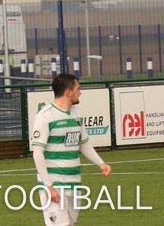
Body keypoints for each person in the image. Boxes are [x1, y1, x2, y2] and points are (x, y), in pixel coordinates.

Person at [31, 74, 111, 225]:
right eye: (78, 89)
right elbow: (37, 154)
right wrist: (48, 186)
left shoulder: (77, 113)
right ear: (68, 92)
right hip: (54, 185)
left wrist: (101, 163)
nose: (80, 92)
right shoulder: (45, 116)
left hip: (74, 184)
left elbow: (84, 144)